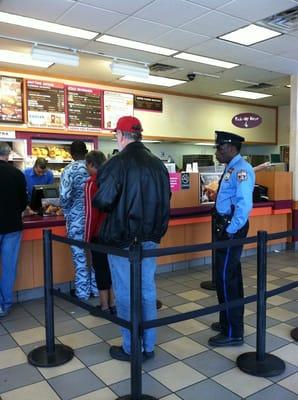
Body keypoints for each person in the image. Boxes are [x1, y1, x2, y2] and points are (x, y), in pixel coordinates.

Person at [93, 116, 171, 362]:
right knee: (147, 290)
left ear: (120, 134)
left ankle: (130, 347)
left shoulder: (116, 163)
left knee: (125, 294)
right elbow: (166, 197)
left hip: (122, 240)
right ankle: (149, 345)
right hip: (151, 239)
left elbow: (103, 201)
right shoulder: (158, 165)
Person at [208, 131, 255, 347]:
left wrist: (230, 229)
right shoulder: (231, 167)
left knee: (227, 278)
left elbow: (244, 204)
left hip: (231, 228)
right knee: (226, 276)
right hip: (225, 225)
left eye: (220, 148)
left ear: (231, 147)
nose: (217, 152)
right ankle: (226, 320)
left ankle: (233, 332)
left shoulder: (242, 170)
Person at [60, 141, 98, 300]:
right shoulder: (95, 168)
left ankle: (82, 292)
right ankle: (97, 290)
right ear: (86, 152)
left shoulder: (69, 170)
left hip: (76, 221)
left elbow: (64, 198)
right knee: (97, 256)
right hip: (95, 218)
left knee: (79, 256)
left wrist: (67, 210)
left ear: (71, 153)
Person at [84, 150, 115, 314]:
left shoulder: (91, 184)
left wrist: (86, 238)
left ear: (91, 164)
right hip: (114, 233)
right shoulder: (113, 179)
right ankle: (113, 303)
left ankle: (104, 306)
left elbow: (91, 214)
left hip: (98, 234)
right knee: (111, 268)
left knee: (100, 269)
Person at [0, 142, 27, 317]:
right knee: (9, 267)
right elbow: (24, 202)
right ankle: (5, 304)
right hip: (12, 226)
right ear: (9, 154)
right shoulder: (17, 174)